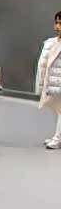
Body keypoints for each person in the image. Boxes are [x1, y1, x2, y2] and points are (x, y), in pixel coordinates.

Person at [37, 10, 61, 149]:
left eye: (60, 24)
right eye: (56, 23)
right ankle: (57, 136)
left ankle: (57, 138)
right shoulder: (52, 42)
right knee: (57, 109)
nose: (57, 26)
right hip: (54, 83)